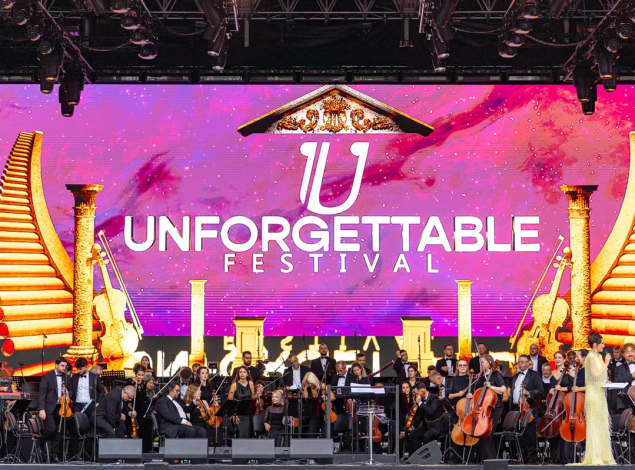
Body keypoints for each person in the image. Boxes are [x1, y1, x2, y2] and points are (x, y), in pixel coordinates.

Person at [571, 332, 616, 465]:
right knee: (595, 426)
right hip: (593, 395)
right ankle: (595, 456)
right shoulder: (591, 357)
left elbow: (600, 377)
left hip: (600, 394)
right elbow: (595, 376)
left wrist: (607, 381)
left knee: (602, 425)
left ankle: (603, 455)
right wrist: (606, 363)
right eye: (602, 343)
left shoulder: (598, 356)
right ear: (595, 345)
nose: (604, 345)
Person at [468, 354, 506, 461]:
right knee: (482, 434)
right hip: (482, 409)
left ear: (489, 362)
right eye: (481, 362)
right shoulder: (480, 377)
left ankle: (490, 460)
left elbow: (503, 389)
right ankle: (486, 459)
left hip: (495, 407)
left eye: (483, 362)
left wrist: (491, 387)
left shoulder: (496, 374)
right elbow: (477, 392)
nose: (481, 364)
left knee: (487, 433)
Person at [510, 354, 543, 463]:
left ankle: (532, 461)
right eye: (519, 362)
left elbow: (540, 390)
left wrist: (528, 393)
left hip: (528, 408)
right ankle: (523, 459)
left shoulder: (535, 374)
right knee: (519, 436)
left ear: (529, 363)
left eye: (523, 362)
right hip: (517, 408)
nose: (520, 364)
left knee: (530, 435)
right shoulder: (515, 377)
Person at [38, 357, 69, 462]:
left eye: (65, 366)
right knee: (52, 428)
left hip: (62, 407)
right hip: (49, 407)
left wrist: (67, 392)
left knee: (59, 432)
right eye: (62, 366)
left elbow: (72, 391)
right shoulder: (47, 377)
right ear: (56, 365)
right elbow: (42, 394)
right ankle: (40, 441)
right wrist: (42, 409)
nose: (64, 368)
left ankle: (54, 455)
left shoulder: (66, 377)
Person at [407, 383, 444, 453]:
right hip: (428, 426)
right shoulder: (423, 400)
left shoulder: (434, 399)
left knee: (426, 436)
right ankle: (420, 454)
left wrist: (420, 403)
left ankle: (428, 455)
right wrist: (413, 426)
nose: (416, 395)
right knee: (414, 435)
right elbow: (420, 416)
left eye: (417, 393)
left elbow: (431, 411)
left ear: (423, 392)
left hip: (436, 426)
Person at [227, 365, 255, 438]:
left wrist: (258, 394)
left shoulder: (251, 383)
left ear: (247, 374)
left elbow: (252, 397)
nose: (242, 374)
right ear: (238, 374)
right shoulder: (234, 385)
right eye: (240, 372)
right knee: (240, 433)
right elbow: (229, 401)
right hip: (237, 413)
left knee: (248, 432)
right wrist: (233, 415)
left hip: (247, 412)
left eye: (244, 372)